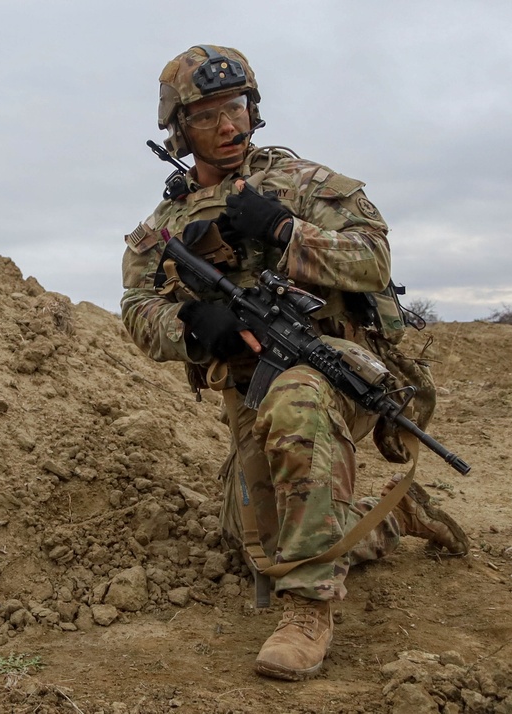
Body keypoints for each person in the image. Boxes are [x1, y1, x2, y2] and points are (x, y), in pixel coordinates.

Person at [120, 45, 468, 680]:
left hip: (337, 371)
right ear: (179, 130)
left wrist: (285, 232)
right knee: (250, 537)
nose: (230, 125)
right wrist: (195, 329)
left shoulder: (299, 183)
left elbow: (375, 259)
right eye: (209, 116)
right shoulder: (165, 225)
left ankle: (307, 608)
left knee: (299, 400)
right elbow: (136, 305)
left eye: (239, 107)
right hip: (250, 389)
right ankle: (383, 525)